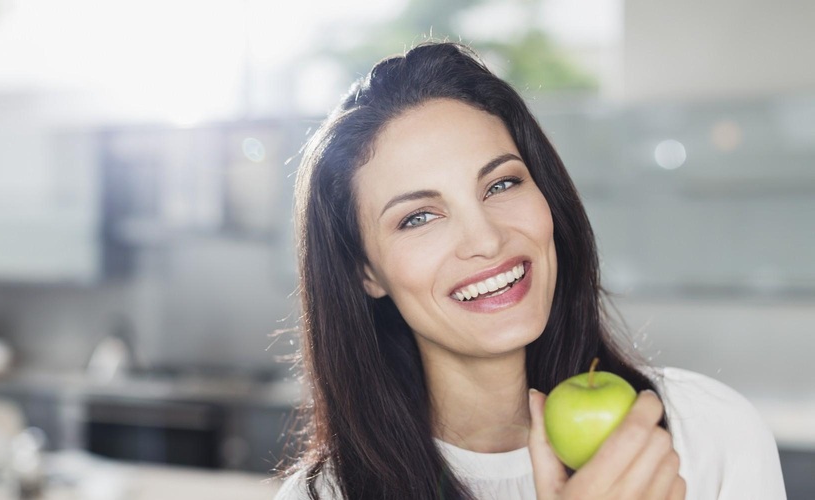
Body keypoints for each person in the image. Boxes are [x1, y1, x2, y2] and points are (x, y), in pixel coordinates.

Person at [275, 42, 786, 500]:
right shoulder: (323, 496)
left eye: (501, 185)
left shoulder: (711, 433)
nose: (487, 240)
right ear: (367, 272)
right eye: (419, 217)